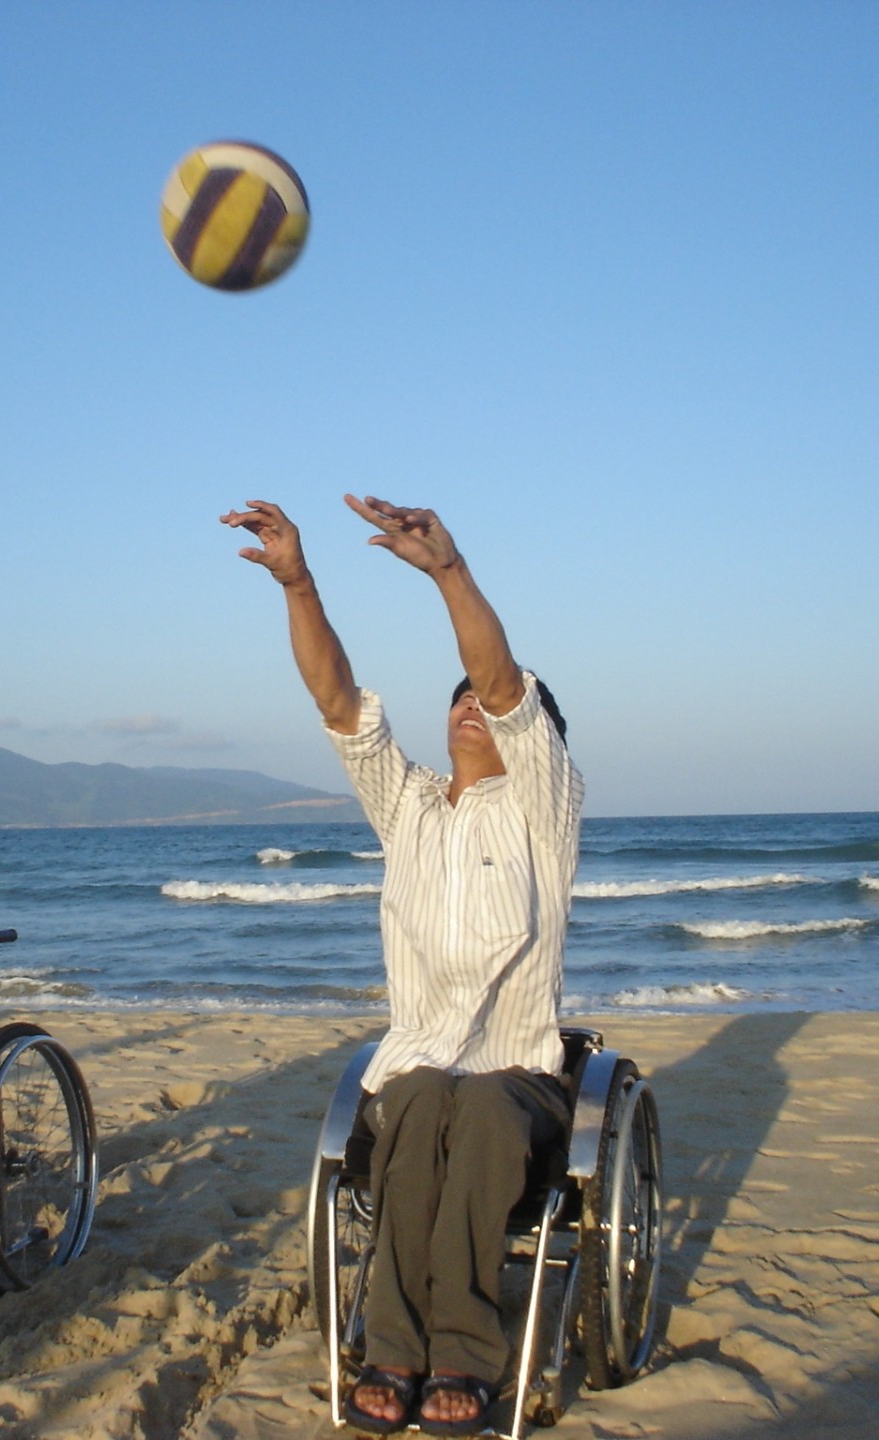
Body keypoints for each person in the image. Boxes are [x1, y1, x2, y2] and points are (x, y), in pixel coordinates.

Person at [221, 495, 583, 1435]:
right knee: (420, 1099)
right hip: (420, 1061)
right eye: (459, 699)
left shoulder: (543, 806)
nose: (473, 705)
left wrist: (446, 571)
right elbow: (337, 700)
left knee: (486, 1109)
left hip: (519, 1071)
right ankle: (391, 1347)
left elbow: (501, 675)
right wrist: (298, 581)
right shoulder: (410, 807)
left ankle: (461, 1351)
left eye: (491, 701)